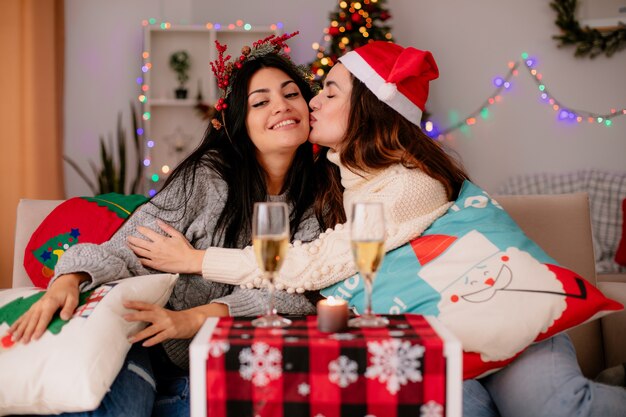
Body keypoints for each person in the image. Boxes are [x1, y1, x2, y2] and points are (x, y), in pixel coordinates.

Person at [142, 41, 626, 416]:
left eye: (330, 91)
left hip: (509, 321)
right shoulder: (336, 183)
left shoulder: (409, 184)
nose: (311, 99)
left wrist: (196, 260)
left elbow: (316, 263)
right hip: (451, 340)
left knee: (554, 408)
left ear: (369, 108)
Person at [9, 32, 338, 417]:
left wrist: (196, 316)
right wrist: (70, 278)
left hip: (220, 359)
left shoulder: (321, 194)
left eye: (291, 94)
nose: (282, 107)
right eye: (261, 102)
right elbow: (125, 250)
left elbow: (298, 295)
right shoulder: (207, 179)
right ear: (237, 124)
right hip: (145, 341)